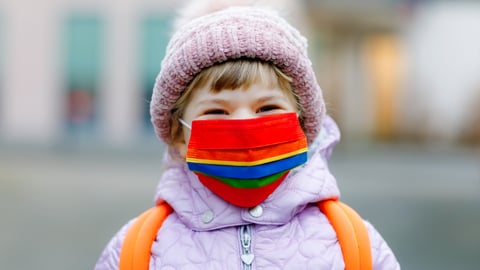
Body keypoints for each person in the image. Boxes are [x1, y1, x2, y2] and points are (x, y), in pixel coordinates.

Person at [94, 2, 400, 269]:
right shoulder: (139, 251)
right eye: (216, 112)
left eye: (267, 107)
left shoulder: (353, 245)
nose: (243, 124)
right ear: (178, 135)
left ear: (303, 126)